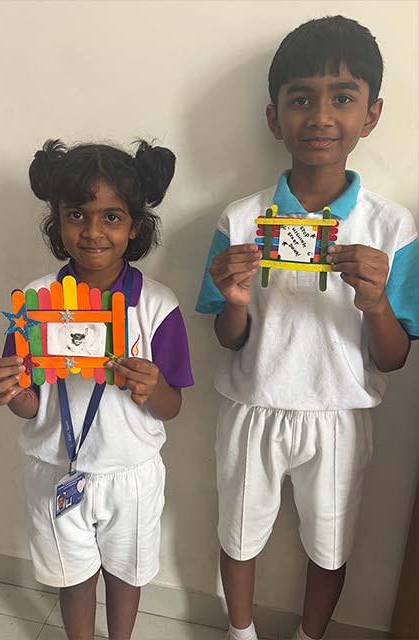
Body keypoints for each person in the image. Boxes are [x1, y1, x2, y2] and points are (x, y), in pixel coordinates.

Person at [196, 15, 418, 640]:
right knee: (238, 536)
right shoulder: (241, 219)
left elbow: (395, 357)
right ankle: (240, 632)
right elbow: (228, 338)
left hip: (340, 413)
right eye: (301, 100)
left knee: (331, 544)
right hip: (253, 404)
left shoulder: (392, 228)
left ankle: (309, 636)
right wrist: (236, 299)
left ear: (371, 115)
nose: (321, 117)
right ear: (274, 118)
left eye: (343, 98)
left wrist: (376, 303)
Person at [0, 139, 194, 640]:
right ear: (57, 222)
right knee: (72, 578)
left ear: (135, 226)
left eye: (112, 217)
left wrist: (153, 386)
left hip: (130, 472)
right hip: (56, 469)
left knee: (126, 575)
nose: (93, 232)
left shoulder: (157, 306)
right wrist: (11, 389)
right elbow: (31, 405)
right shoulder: (35, 301)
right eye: (76, 215)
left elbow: (172, 407)